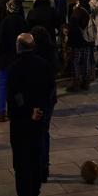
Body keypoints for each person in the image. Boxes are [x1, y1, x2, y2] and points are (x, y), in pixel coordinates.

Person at [8, 32, 54, 196]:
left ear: (18, 47)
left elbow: (15, 95)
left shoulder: (14, 68)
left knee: (21, 163)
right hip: (39, 120)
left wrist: (28, 111)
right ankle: (35, 191)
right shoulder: (44, 65)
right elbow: (50, 92)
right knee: (35, 158)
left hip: (21, 123)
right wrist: (41, 110)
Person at [0, 0, 28, 121]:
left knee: (2, 85)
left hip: (5, 59)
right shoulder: (23, 21)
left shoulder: (6, 21)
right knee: (17, 87)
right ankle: (16, 110)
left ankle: (1, 112)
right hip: (18, 58)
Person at [30, 26, 59, 184]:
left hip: (37, 99)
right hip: (49, 98)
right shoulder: (52, 53)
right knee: (45, 132)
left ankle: (37, 165)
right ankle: (44, 167)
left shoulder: (34, 56)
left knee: (36, 133)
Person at [67, 0, 94, 91]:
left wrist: (69, 42)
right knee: (86, 60)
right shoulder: (90, 9)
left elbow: (73, 28)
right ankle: (85, 82)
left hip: (78, 41)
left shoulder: (77, 11)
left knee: (76, 61)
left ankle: (76, 82)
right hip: (87, 40)